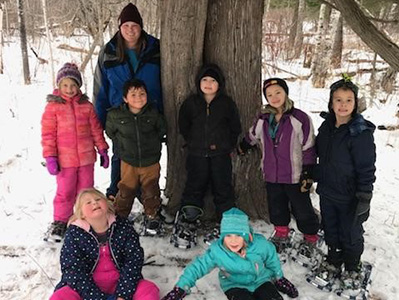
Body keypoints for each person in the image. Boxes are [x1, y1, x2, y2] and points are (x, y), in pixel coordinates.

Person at [238, 78, 320, 258]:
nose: (274, 97)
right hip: (272, 175)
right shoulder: (263, 118)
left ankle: (311, 236)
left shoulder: (299, 118)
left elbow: (308, 145)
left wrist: (308, 171)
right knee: (276, 206)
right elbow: (253, 134)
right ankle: (281, 232)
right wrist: (243, 145)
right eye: (269, 94)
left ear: (285, 93)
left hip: (295, 175)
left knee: (302, 207)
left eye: (278, 93)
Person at [309, 77, 376, 291]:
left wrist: (364, 196)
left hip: (350, 196)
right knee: (330, 228)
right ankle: (334, 258)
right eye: (338, 100)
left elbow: (366, 168)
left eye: (348, 100)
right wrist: (311, 173)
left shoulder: (360, 133)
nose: (343, 105)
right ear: (331, 102)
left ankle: (352, 265)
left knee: (351, 233)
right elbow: (322, 156)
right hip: (328, 191)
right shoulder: (327, 127)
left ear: (355, 103)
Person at [93, 2, 162, 200]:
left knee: (148, 155)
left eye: (135, 26)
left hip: (149, 113)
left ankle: (148, 196)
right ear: (119, 27)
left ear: (141, 27)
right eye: (126, 26)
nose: (130, 30)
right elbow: (100, 89)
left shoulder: (155, 48)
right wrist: (100, 120)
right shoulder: (109, 52)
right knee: (120, 155)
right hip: (120, 115)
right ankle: (116, 194)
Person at [171, 63, 242, 249]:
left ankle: (227, 223)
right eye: (205, 80)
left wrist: (228, 144)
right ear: (198, 82)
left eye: (213, 80)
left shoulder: (226, 104)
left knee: (223, 186)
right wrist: (193, 141)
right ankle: (189, 219)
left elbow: (235, 126)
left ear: (220, 84)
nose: (208, 84)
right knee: (194, 184)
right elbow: (184, 124)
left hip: (220, 154)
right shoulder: (192, 103)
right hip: (196, 153)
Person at [162, 208, 298, 300]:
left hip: (261, 280)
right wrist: (181, 288)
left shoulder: (261, 246)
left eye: (238, 236)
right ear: (223, 237)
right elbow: (198, 267)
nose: (233, 241)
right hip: (234, 285)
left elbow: (272, 260)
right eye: (228, 236)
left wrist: (279, 278)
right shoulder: (218, 251)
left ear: (246, 236)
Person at [49, 188, 160, 300]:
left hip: (121, 283)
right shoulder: (74, 234)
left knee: (149, 290)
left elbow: (133, 260)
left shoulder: (122, 226)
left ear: (107, 204)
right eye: (88, 202)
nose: (94, 202)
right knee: (60, 297)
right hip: (87, 288)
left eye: (98, 199)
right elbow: (72, 270)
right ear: (81, 214)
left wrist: (123, 295)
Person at [41, 63, 109, 242]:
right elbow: (48, 134)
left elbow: (96, 130)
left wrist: (102, 149)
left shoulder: (86, 106)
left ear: (79, 86)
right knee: (65, 192)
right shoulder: (53, 107)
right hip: (65, 161)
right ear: (59, 86)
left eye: (73, 85)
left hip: (86, 159)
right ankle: (60, 222)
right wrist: (50, 157)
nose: (69, 89)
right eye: (65, 85)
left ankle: (85, 219)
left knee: (86, 191)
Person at [105, 79, 166, 236]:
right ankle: (120, 216)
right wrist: (123, 146)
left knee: (151, 189)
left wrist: (153, 145)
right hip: (128, 161)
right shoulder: (116, 115)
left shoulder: (153, 113)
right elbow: (111, 132)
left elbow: (161, 130)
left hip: (150, 161)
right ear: (125, 98)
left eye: (142, 94)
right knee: (126, 189)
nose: (138, 98)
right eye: (133, 94)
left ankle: (152, 216)